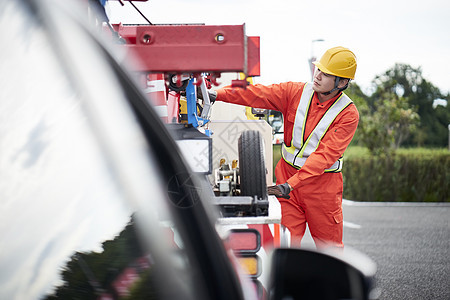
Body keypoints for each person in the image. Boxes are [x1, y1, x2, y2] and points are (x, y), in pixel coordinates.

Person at [209, 46, 359, 248]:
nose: (318, 76)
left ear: (341, 82)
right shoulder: (295, 92)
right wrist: (216, 94)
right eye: (318, 70)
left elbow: (324, 156)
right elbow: (256, 94)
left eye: (326, 74)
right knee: (284, 248)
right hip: (288, 187)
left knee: (329, 251)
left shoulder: (348, 114)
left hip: (321, 190)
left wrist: (291, 184)